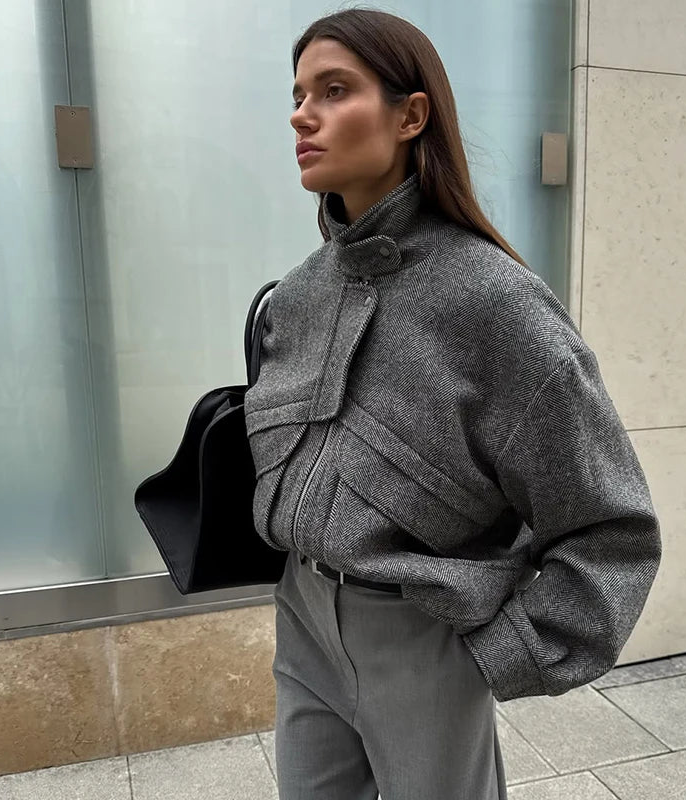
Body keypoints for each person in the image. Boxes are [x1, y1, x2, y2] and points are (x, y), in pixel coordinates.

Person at [244, 8, 662, 800]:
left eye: (335, 90)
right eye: (298, 94)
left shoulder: (495, 304)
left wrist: (508, 650)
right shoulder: (298, 294)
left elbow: (613, 526)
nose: (303, 114)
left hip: (420, 633)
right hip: (302, 613)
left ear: (411, 114)